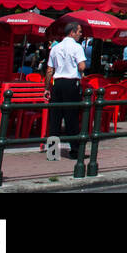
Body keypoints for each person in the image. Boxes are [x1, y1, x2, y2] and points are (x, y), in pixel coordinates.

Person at [46, 22, 88, 159]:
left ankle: (52, 152)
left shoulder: (55, 47)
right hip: (71, 83)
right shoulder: (77, 47)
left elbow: (49, 70)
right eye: (79, 32)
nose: (81, 34)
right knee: (72, 118)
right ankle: (74, 150)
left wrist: (47, 88)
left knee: (55, 118)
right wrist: (79, 68)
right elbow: (82, 66)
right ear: (72, 32)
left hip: (57, 83)